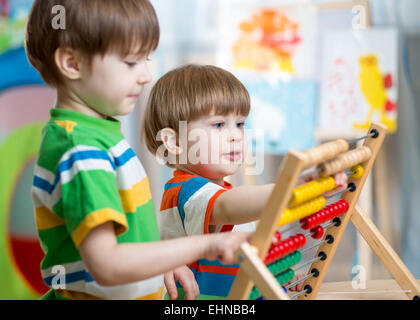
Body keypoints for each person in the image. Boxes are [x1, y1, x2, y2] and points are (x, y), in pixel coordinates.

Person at [26, 0, 250, 300]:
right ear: (72, 63)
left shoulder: (98, 136)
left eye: (147, 59)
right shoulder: (80, 151)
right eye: (132, 62)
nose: (145, 75)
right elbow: (106, 265)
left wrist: (161, 265)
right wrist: (205, 246)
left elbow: (126, 239)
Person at [142, 64, 348, 299]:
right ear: (174, 142)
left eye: (240, 124)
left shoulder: (220, 192)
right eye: (219, 125)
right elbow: (227, 207)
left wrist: (276, 278)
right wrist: (295, 188)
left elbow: (242, 259)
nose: (235, 135)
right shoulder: (186, 193)